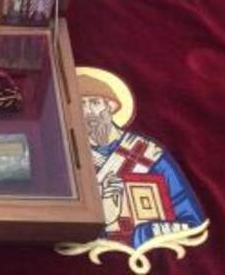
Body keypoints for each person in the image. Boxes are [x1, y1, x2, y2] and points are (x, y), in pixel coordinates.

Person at [78, 72, 205, 248]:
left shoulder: (150, 154)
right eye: (80, 104)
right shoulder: (65, 156)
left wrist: (143, 233)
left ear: (110, 106)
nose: (88, 112)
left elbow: (191, 223)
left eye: (94, 102)